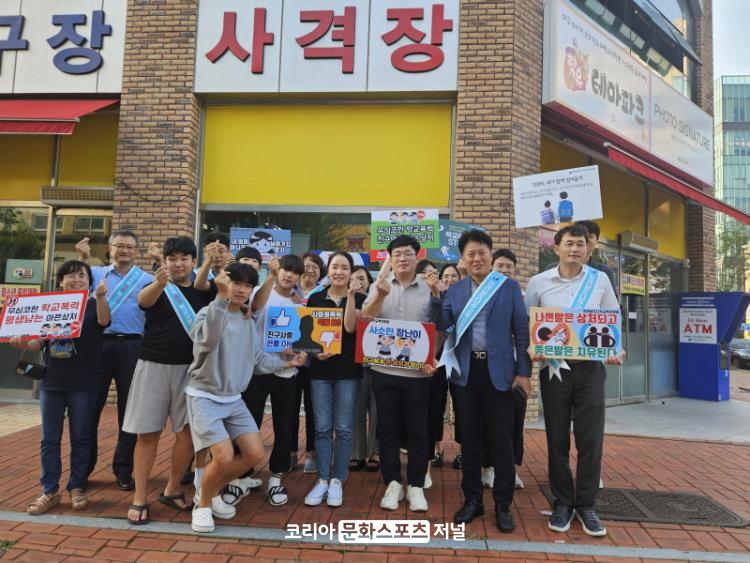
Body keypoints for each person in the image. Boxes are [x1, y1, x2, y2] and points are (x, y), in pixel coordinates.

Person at [186, 264, 306, 533]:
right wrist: (220, 298)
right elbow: (208, 341)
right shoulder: (207, 312)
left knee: (253, 453)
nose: (241, 290)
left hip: (233, 398)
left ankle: (208, 490)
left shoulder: (247, 320)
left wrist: (287, 363)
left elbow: (257, 360)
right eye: (236, 283)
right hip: (204, 396)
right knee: (224, 455)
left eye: (248, 285)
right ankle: (203, 506)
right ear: (224, 283)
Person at [525, 224, 622, 537]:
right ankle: (563, 502)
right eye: (569, 244)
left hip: (590, 369)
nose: (575, 249)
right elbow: (528, 322)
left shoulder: (599, 280)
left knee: (590, 439)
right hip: (555, 369)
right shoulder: (539, 282)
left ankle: (587, 504)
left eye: (580, 244)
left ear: (587, 248)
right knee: (556, 438)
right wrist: (532, 346)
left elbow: (613, 318)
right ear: (557, 248)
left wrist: (617, 348)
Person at [434, 230, 531, 533]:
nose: (477, 258)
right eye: (471, 254)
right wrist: (438, 298)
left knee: (502, 440)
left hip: (500, 373)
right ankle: (473, 500)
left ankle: (503, 503)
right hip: (466, 373)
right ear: (463, 259)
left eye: (482, 253)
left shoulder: (508, 286)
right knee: (470, 440)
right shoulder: (456, 290)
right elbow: (443, 325)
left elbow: (521, 330)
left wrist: (524, 373)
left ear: (491, 255)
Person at [123, 236, 215, 525]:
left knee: (187, 435)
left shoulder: (203, 291)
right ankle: (140, 496)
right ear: (164, 261)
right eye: (172, 258)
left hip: (190, 370)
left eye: (184, 258)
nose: (178, 264)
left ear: (193, 262)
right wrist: (160, 283)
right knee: (147, 433)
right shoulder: (156, 286)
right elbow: (143, 301)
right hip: (152, 366)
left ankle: (173, 488)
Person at [9, 261, 110, 515]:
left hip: (84, 384)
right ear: (60, 281)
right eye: (70, 276)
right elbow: (39, 342)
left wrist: (100, 297)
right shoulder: (51, 306)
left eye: (82, 276)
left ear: (89, 281)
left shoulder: (92, 305)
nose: (76, 279)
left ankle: (76, 486)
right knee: (49, 439)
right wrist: (22, 343)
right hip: (52, 383)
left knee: (81, 437)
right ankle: (49, 490)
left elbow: (104, 320)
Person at [363, 236, 439, 513]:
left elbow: (438, 327)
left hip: (418, 374)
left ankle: (416, 485)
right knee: (388, 430)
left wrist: (432, 358)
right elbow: (365, 319)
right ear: (391, 259)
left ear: (417, 257)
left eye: (408, 253)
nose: (403, 258)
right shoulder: (380, 285)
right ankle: (393, 482)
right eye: (397, 254)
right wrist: (380, 296)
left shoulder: (428, 288)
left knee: (418, 431)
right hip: (383, 370)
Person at [75, 231, 154, 492]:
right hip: (98, 345)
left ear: (137, 251)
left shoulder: (147, 280)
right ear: (110, 249)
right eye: (119, 245)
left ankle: (123, 469)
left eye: (130, 247)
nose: (124, 250)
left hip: (133, 346)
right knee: (89, 409)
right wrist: (82, 258)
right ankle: (83, 469)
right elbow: (76, 292)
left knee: (129, 412)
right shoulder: (95, 274)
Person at [304, 252, 367, 507]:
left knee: (343, 428)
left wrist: (350, 296)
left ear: (351, 272)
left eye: (344, 268)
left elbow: (350, 328)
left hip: (348, 372)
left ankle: (338, 479)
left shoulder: (361, 298)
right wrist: (314, 352)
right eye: (335, 267)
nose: (339, 272)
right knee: (321, 428)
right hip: (320, 372)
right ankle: (322, 478)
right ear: (327, 270)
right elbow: (306, 333)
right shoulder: (316, 298)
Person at [243, 254, 306, 506]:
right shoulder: (259, 291)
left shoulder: (300, 304)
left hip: (286, 371)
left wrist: (297, 349)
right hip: (257, 370)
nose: (289, 275)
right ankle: (242, 475)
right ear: (277, 271)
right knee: (249, 423)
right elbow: (256, 307)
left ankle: (276, 477)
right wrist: (269, 277)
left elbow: (304, 337)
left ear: (299, 277)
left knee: (285, 425)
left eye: (295, 272)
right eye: (285, 270)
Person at [491, 248, 527, 490]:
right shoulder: (480, 295)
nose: (504, 270)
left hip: (514, 369)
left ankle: (511, 469)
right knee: (491, 422)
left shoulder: (521, 295)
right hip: (491, 368)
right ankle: (489, 467)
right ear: (491, 268)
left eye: (509, 267)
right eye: (500, 266)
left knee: (514, 421)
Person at [291, 252, 328, 474]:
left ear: (320, 272)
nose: (310, 270)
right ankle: (290, 451)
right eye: (306, 265)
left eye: (315, 267)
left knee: (314, 409)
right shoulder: (288, 290)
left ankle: (312, 453)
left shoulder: (323, 293)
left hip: (315, 362)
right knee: (289, 408)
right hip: (290, 360)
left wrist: (303, 305)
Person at [428, 263, 460, 469]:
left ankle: (461, 452)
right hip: (438, 359)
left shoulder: (466, 299)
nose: (449, 279)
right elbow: (435, 329)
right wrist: (432, 357)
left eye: (453, 276)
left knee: (462, 407)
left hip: (460, 359)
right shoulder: (435, 298)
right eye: (445, 276)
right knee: (435, 406)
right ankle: (436, 450)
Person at [350, 266, 379, 473]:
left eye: (361, 278)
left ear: (369, 281)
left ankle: (375, 452)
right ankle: (357, 453)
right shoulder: (346, 301)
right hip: (354, 366)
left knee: (378, 410)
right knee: (356, 410)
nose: (357, 283)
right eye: (353, 279)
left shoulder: (378, 300)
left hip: (379, 364)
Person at [574, 221, 618, 297]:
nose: (586, 240)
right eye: (581, 235)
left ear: (596, 241)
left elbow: (612, 302)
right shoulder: (555, 268)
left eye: (590, 236)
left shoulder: (604, 271)